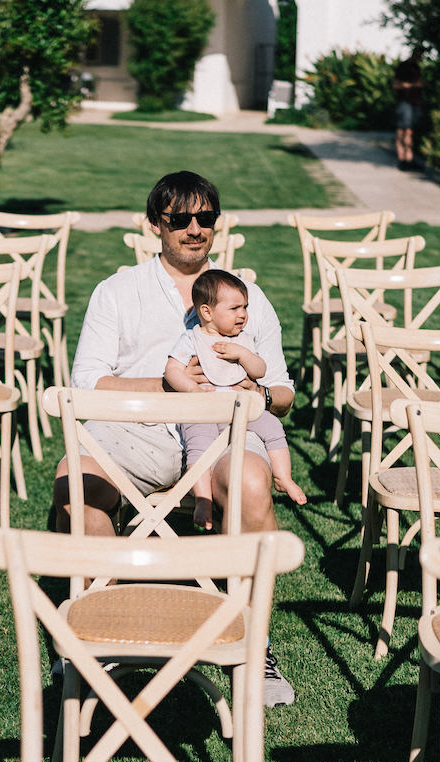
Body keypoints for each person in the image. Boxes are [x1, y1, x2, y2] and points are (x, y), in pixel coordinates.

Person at [58, 170, 298, 705]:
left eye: (205, 218)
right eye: (180, 219)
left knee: (253, 481)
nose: (194, 229)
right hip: (134, 427)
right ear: (155, 225)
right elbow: (86, 381)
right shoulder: (117, 291)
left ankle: (252, 639)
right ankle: (102, 630)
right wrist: (165, 384)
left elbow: (284, 391)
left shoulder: (247, 297)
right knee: (76, 481)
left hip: (222, 427)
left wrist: (259, 396)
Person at [164, 268, 306, 530]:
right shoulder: (192, 339)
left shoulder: (243, 340)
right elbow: (172, 370)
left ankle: (283, 476)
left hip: (240, 411)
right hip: (204, 411)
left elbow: (260, 371)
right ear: (207, 312)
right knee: (199, 447)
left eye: (246, 307)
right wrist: (191, 389)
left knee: (273, 427)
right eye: (235, 308)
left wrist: (242, 354)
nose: (243, 314)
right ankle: (203, 498)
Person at [393, 56, 424, 171]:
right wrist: (411, 85)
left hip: (415, 103)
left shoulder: (417, 68)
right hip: (404, 103)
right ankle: (402, 159)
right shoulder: (403, 67)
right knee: (403, 131)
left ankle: (408, 159)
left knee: (409, 131)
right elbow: (396, 84)